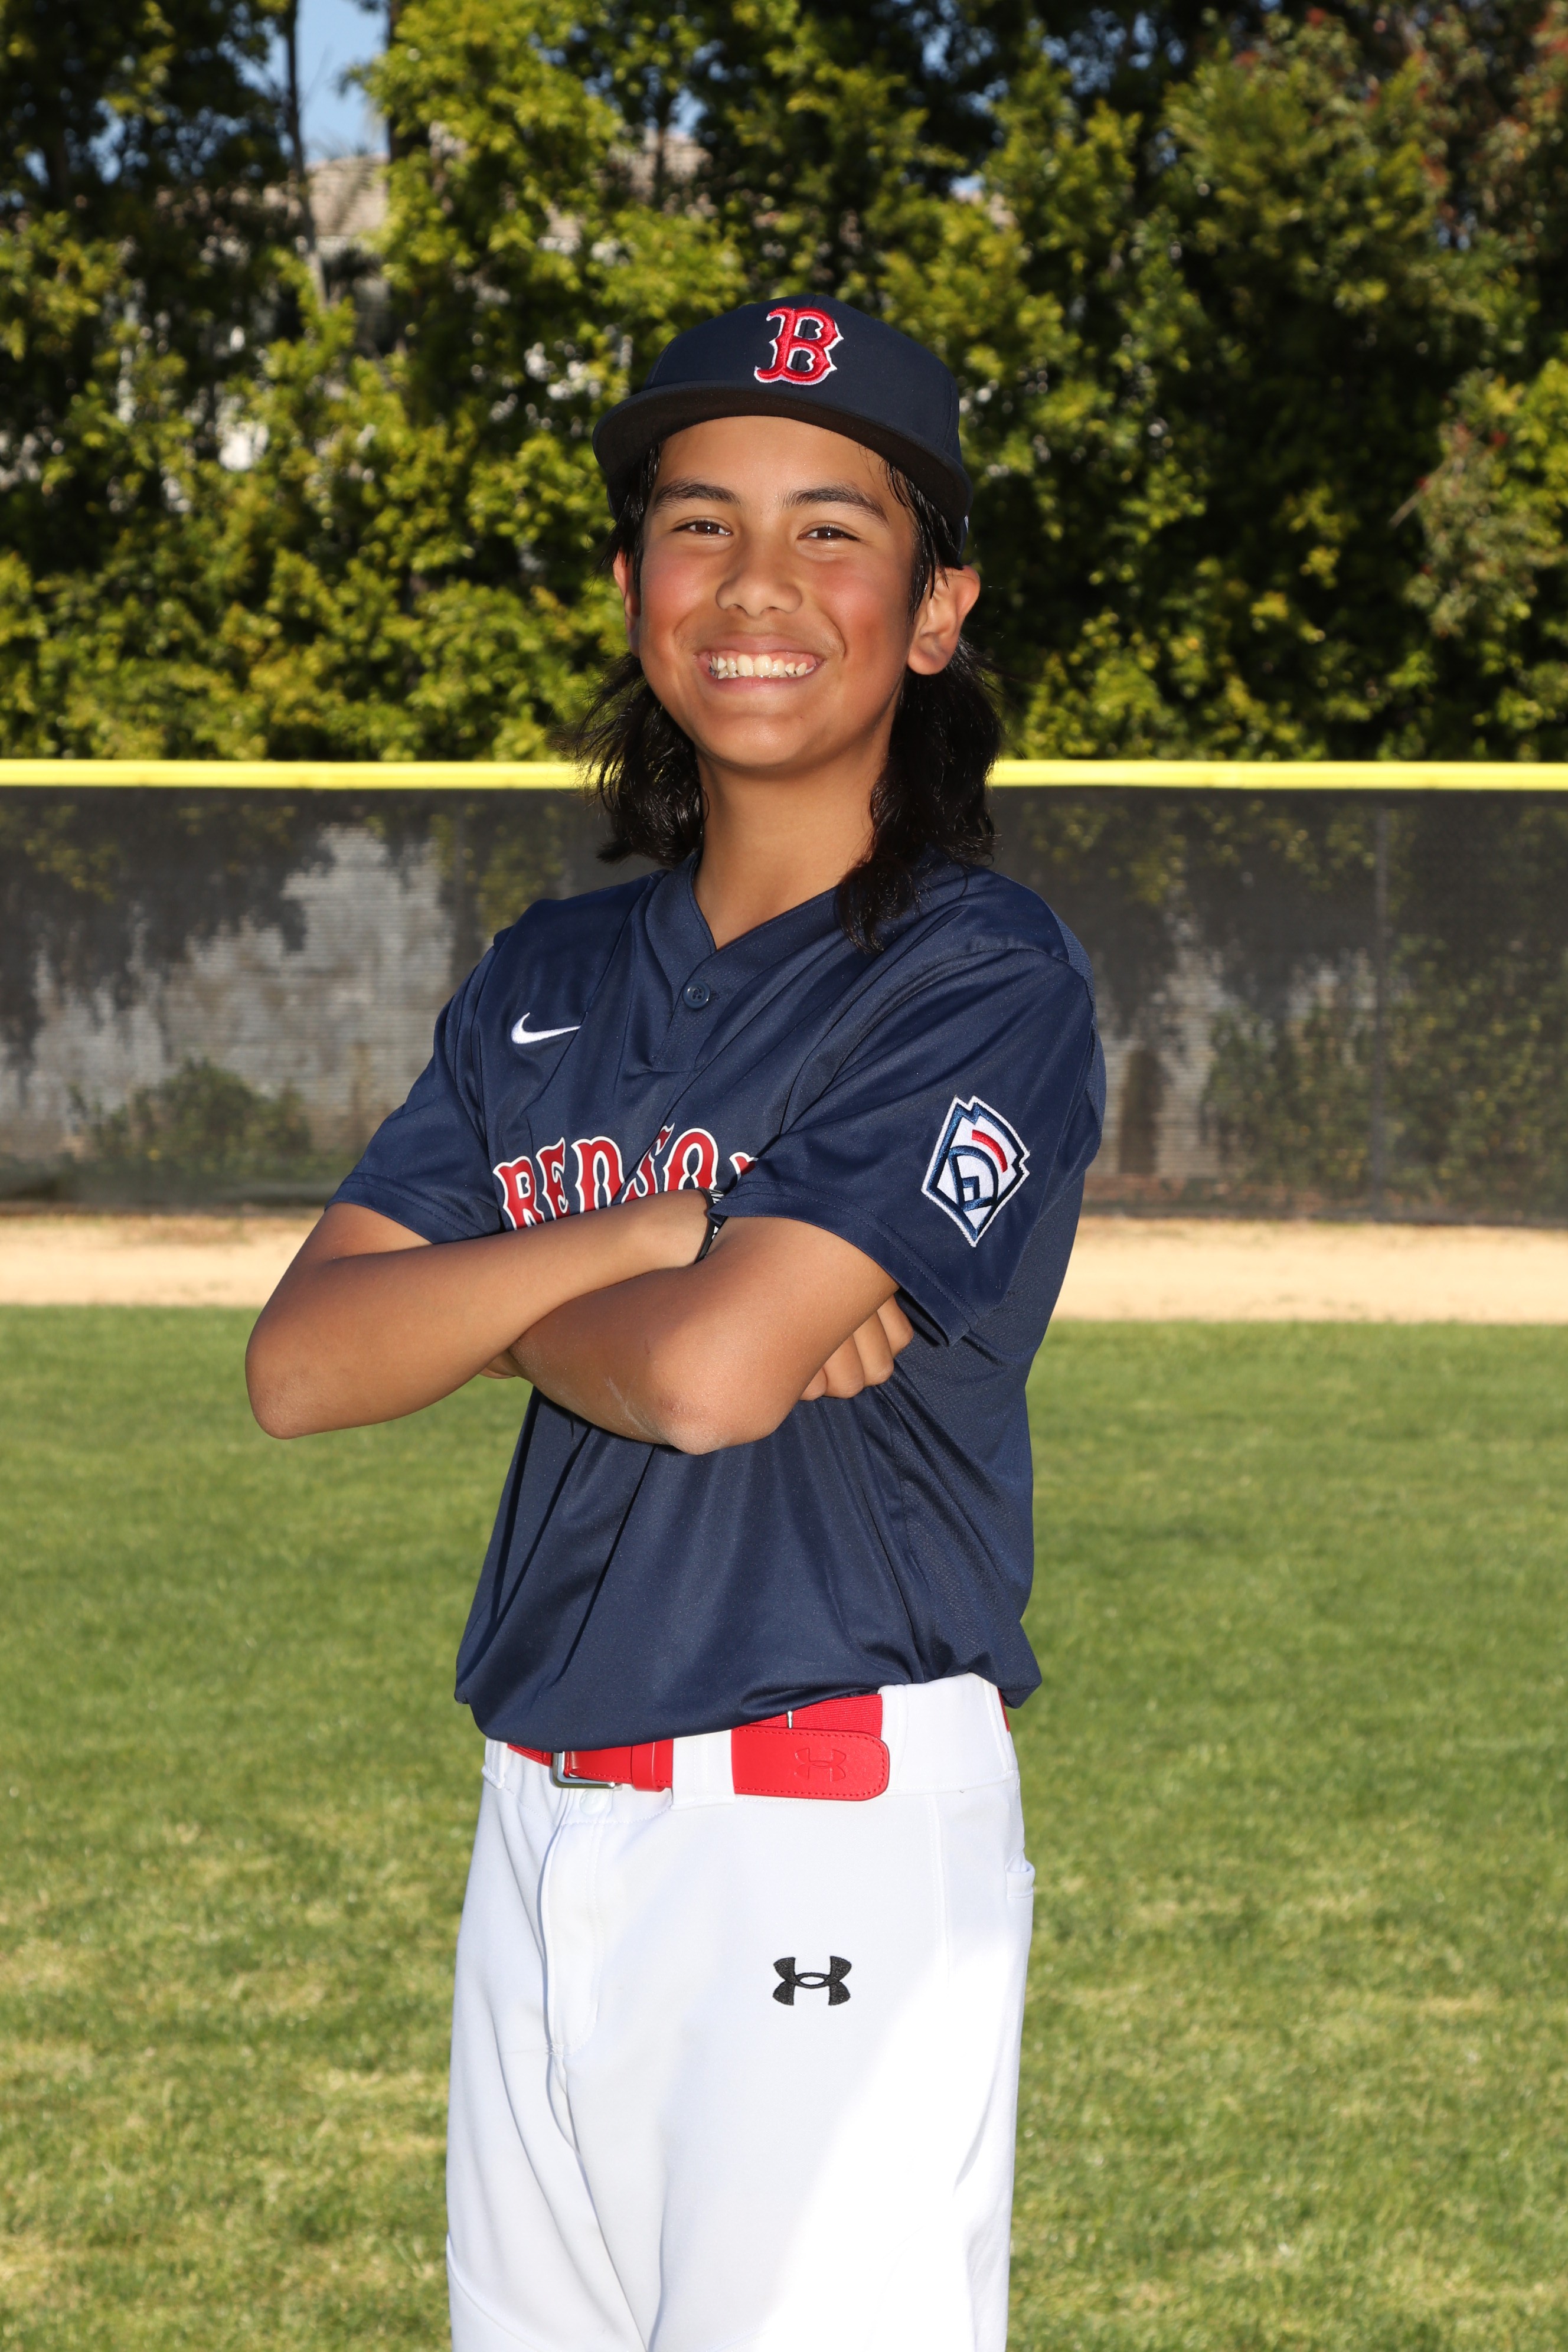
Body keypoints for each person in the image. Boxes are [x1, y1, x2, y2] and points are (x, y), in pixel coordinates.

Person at [246, 295, 1105, 2352]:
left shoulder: (979, 973)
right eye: (700, 523)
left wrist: (492, 1302)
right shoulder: (547, 973)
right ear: (635, 584)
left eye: (833, 530)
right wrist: (659, 1237)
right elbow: (300, 1364)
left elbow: (714, 1380)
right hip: (540, 1812)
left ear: (936, 608)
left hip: (819, 1826)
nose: (755, 584)